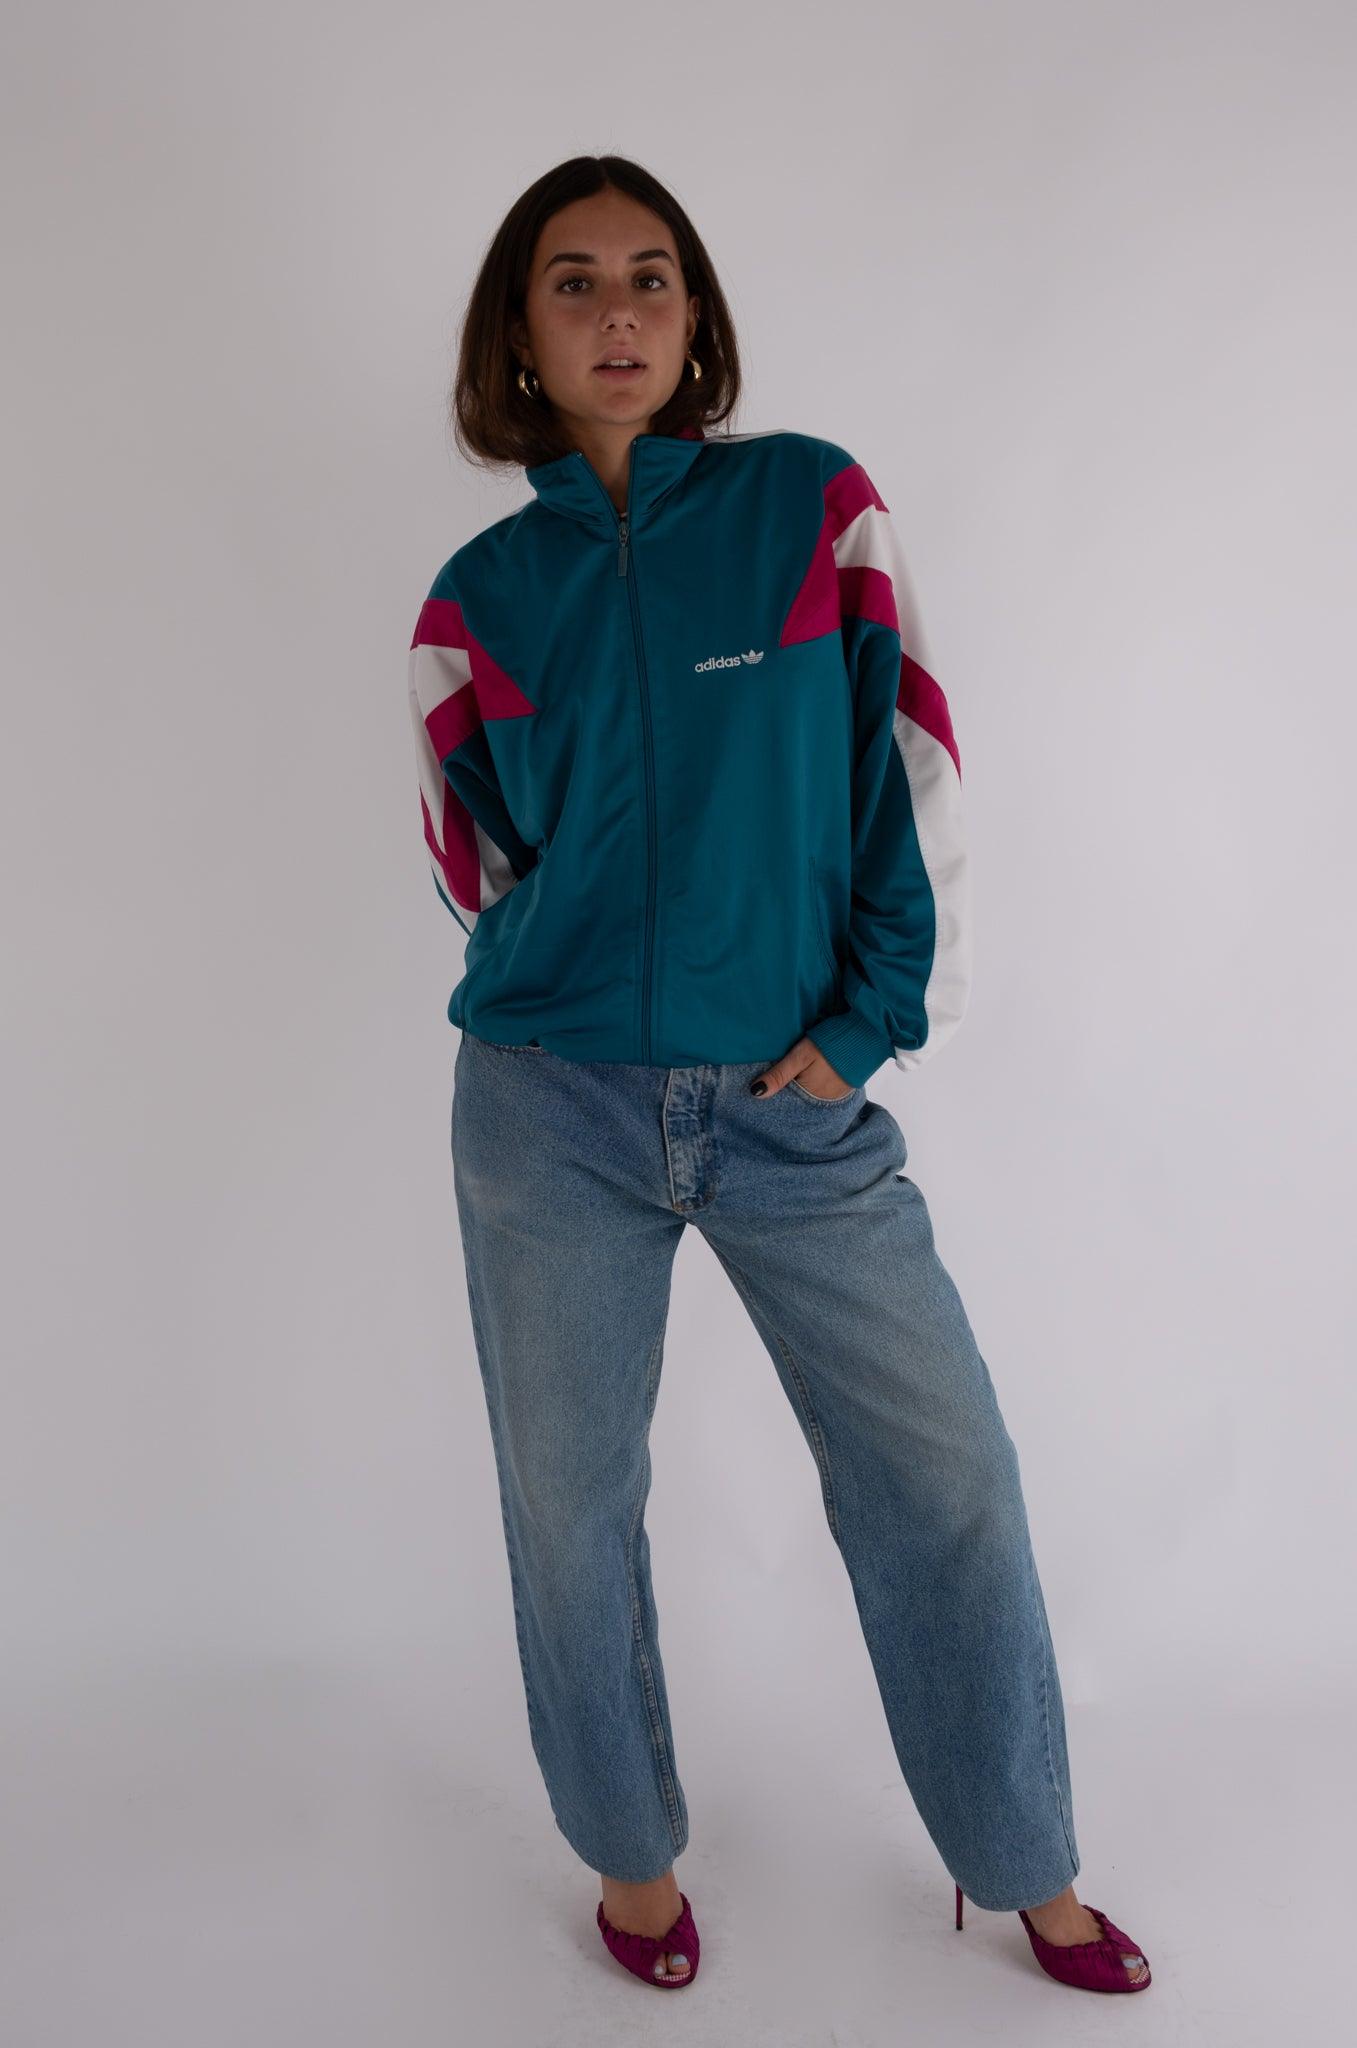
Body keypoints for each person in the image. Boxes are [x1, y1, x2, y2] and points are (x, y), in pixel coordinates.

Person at [406, 153, 1151, 1998]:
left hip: (792, 1106)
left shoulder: (810, 510)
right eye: (573, 281)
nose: (617, 312)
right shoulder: (474, 599)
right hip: (548, 1112)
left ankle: (1026, 1863)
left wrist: (870, 1019)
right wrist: (577, 979)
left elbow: (909, 762)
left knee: (944, 1476)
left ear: (695, 316)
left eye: (650, 275)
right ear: (518, 334)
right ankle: (630, 1856)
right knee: (567, 1508)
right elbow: (473, 860)